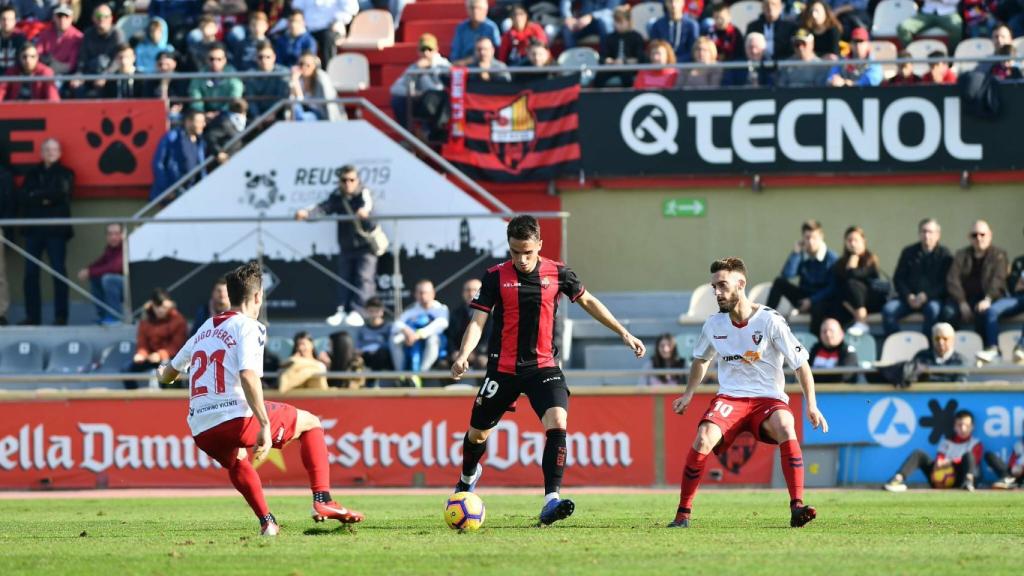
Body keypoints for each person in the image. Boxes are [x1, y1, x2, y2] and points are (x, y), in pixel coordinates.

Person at [451, 215, 646, 527]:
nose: (522, 259)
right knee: (477, 435)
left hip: (544, 366)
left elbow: (590, 302)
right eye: (515, 252)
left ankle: (550, 500)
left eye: (528, 252)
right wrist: (464, 354)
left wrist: (623, 333)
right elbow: (478, 321)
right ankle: (468, 477)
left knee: (558, 420)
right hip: (503, 369)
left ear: (540, 245)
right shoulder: (494, 277)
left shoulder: (559, 273)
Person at [158, 261, 365, 536]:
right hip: (233, 417)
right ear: (258, 297)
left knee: (237, 460)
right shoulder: (250, 326)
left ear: (230, 296)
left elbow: (168, 375)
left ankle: (267, 522)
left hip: (201, 428)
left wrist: (163, 373)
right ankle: (323, 500)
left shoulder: (205, 327)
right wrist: (265, 425)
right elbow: (248, 375)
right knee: (311, 423)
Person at [667, 257, 827, 528]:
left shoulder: (770, 320)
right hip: (730, 398)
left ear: (741, 284)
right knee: (704, 437)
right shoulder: (714, 324)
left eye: (722, 286)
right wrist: (688, 394)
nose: (717, 293)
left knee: (787, 425)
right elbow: (701, 360)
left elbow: (800, 364)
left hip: (767, 399)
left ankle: (797, 507)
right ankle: (683, 515)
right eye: (714, 287)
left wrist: (812, 404)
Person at [295, 164, 376, 327]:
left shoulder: (363, 193)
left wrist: (363, 213)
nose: (348, 183)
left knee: (364, 278)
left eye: (352, 180)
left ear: (357, 180)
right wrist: (306, 214)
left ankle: (359, 311)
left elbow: (367, 206)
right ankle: (342, 310)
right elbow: (323, 208)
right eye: (344, 180)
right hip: (346, 245)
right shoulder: (337, 196)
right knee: (344, 277)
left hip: (365, 245)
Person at [18, 138, 73, 326]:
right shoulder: (32, 173)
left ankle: (61, 316)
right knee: (30, 274)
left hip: (56, 232)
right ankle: (32, 317)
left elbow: (61, 194)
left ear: (60, 153)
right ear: (41, 152)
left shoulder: (66, 173)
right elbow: (24, 196)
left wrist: (38, 196)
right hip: (34, 231)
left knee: (58, 272)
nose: (51, 153)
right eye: (47, 149)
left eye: (55, 149)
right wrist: (46, 197)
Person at [882, 218, 954, 337]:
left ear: (938, 235)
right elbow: (898, 278)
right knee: (888, 310)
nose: (926, 235)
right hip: (907, 300)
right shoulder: (908, 252)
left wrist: (926, 296)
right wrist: (908, 295)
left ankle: (927, 347)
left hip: (932, 299)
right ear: (919, 234)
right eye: (923, 231)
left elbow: (946, 284)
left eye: (930, 232)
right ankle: (897, 343)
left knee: (934, 310)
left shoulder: (945, 255)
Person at [883, 409, 980, 492]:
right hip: (938, 476)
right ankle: (897, 479)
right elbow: (940, 457)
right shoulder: (946, 442)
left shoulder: (976, 443)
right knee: (919, 454)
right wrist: (939, 463)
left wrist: (949, 462)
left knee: (969, 456)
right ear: (954, 426)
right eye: (960, 425)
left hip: (959, 478)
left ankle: (968, 482)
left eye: (967, 425)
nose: (963, 429)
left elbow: (974, 461)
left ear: (972, 426)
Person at [947, 220, 1009, 346]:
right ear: (969, 238)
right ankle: (952, 349)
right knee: (948, 312)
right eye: (974, 235)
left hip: (989, 298)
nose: (978, 238)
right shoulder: (961, 255)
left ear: (990, 235)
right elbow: (952, 279)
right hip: (965, 299)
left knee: (984, 313)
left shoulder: (999, 255)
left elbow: (999, 279)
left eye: (982, 234)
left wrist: (988, 299)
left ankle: (984, 349)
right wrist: (962, 302)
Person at [815, 225, 885, 337]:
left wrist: (853, 259)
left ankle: (862, 322)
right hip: (849, 305)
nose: (852, 243)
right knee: (828, 305)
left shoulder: (870, 260)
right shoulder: (840, 263)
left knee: (852, 284)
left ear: (863, 241)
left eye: (856, 240)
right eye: (849, 240)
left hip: (871, 301)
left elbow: (853, 275)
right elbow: (838, 287)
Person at [766, 220, 839, 321]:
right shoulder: (801, 255)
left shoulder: (831, 258)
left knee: (819, 307)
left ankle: (816, 336)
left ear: (821, 237)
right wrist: (795, 253)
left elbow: (833, 287)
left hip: (821, 300)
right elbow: (787, 274)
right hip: (803, 298)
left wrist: (811, 301)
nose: (810, 242)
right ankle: (765, 318)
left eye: (814, 237)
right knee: (779, 282)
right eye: (807, 238)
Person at [390, 279, 449, 385]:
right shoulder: (411, 311)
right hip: (412, 342)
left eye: (426, 292)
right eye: (420, 292)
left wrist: (419, 334)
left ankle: (420, 375)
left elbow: (442, 323)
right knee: (394, 340)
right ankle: (400, 374)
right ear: (415, 294)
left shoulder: (441, 309)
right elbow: (396, 325)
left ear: (433, 293)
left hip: (435, 344)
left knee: (432, 339)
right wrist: (406, 330)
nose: (423, 295)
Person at [977, 229, 1024, 363]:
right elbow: (1014, 285)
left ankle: (1021, 348)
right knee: (992, 310)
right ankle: (993, 349)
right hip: (1017, 299)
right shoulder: (1019, 262)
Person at [389, 33, 450, 129]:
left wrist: (431, 68)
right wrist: (414, 92)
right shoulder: (415, 67)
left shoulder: (443, 64)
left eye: (430, 50)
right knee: (398, 101)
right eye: (423, 50)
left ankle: (430, 134)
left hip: (439, 102)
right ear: (418, 51)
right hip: (422, 101)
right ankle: (410, 136)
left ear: (436, 50)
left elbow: (440, 87)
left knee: (430, 101)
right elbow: (395, 88)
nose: (426, 53)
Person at [150, 109, 208, 201]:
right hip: (173, 194)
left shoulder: (201, 142)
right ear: (188, 122)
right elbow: (158, 163)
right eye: (199, 122)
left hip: (193, 193)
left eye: (203, 122)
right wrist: (166, 188)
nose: (203, 125)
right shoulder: (172, 138)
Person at [131, 288, 188, 379]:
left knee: (166, 370)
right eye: (157, 306)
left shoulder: (178, 320)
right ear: (152, 305)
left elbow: (177, 346)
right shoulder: (145, 320)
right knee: (127, 370)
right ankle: (133, 393)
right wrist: (141, 354)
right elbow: (142, 343)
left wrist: (160, 355)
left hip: (171, 359)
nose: (160, 310)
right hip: (150, 358)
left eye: (164, 307)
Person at [72, 4, 124, 98]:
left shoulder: (117, 34)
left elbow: (117, 60)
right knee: (76, 85)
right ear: (93, 18)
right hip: (90, 73)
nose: (102, 19)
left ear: (111, 18)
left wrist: (105, 76)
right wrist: (79, 74)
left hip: (110, 75)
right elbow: (82, 58)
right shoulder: (88, 33)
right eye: (99, 16)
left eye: (106, 16)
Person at [77, 223, 124, 325]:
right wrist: (87, 270)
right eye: (110, 234)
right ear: (106, 236)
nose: (113, 237)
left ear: (122, 235)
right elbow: (100, 262)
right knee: (95, 278)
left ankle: (115, 317)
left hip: (130, 287)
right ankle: (104, 316)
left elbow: (115, 267)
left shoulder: (125, 247)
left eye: (116, 233)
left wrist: (89, 272)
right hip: (117, 286)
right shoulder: (110, 249)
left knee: (108, 279)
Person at [290, 0, 358, 65]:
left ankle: (328, 70)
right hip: (308, 29)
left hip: (331, 28)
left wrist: (338, 20)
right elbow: (296, 8)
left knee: (327, 38)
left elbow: (352, 8)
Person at [446, 278, 490, 371]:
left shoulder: (491, 314)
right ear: (463, 293)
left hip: (481, 354)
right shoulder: (455, 313)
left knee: (483, 361)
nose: (471, 293)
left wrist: (474, 353)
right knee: (443, 364)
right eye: (468, 290)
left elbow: (490, 337)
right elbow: (450, 336)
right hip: (458, 354)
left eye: (475, 290)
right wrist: (455, 352)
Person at [189, 44, 244, 115]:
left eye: (219, 59)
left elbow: (235, 98)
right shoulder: (200, 75)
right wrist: (202, 113)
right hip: (204, 115)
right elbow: (195, 99)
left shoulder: (233, 75)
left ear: (225, 60)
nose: (215, 62)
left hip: (227, 113)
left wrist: (219, 114)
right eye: (211, 59)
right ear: (206, 59)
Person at [597, 5, 644, 87]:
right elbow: (603, 56)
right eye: (616, 21)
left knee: (627, 75)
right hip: (613, 67)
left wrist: (624, 62)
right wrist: (608, 60)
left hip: (629, 68)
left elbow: (640, 58)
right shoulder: (609, 38)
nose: (617, 25)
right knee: (600, 75)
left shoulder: (636, 37)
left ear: (628, 21)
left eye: (620, 22)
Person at [288, 52, 344, 121]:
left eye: (308, 65)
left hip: (319, 113)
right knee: (297, 109)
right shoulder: (297, 78)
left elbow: (330, 105)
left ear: (314, 66)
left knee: (302, 117)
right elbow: (296, 102)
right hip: (303, 112)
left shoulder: (321, 78)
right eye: (301, 64)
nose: (304, 67)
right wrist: (295, 82)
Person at [244, 41, 290, 119]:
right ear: (256, 58)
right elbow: (251, 100)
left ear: (274, 57)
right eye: (260, 57)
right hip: (256, 118)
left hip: (278, 115)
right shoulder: (250, 75)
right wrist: (257, 117)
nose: (264, 60)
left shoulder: (283, 73)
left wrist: (272, 113)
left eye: (268, 57)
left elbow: (282, 97)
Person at [34, 5, 82, 75]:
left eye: (66, 16)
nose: (62, 20)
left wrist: (53, 66)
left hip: (66, 76)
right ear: (54, 17)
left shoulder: (78, 37)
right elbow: (36, 55)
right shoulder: (45, 33)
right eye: (59, 16)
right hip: (44, 74)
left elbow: (71, 65)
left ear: (71, 18)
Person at [450, 0, 501, 65]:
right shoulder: (461, 28)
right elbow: (455, 57)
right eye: (472, 7)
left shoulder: (491, 28)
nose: (475, 11)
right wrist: (470, 61)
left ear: (485, 10)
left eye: (478, 8)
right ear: (467, 9)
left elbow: (498, 53)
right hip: (465, 68)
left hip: (489, 67)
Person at [807, 318, 858, 383]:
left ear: (841, 334)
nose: (828, 334)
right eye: (824, 331)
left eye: (831, 331)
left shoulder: (848, 351)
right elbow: (805, 373)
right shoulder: (814, 350)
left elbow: (844, 376)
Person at [897, 0, 962, 47]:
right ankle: (913, 56)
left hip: (949, 13)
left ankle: (950, 59)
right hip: (926, 13)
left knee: (957, 28)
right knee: (903, 28)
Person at [204, 98, 248, 164]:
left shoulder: (245, 122)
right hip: (227, 161)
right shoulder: (224, 123)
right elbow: (210, 136)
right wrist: (218, 152)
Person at [355, 296, 393, 372]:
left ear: (382, 312)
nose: (374, 314)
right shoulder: (363, 329)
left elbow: (390, 344)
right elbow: (358, 345)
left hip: (382, 357)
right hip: (366, 356)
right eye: (371, 311)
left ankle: (372, 380)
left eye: (377, 311)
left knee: (381, 354)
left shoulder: (388, 327)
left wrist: (376, 349)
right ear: (367, 311)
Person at [0, 6, 25, 72]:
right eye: (3, 19)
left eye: (10, 19)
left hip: (15, 79)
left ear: (15, 21)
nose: (6, 22)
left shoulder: (21, 40)